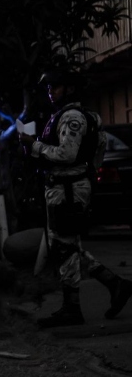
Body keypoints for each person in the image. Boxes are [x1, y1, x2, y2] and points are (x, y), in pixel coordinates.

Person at [19, 70, 131, 328]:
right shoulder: (86, 116)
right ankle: (115, 285)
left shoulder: (72, 118)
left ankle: (74, 308)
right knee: (67, 245)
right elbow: (99, 150)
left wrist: (33, 145)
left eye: (56, 87)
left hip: (67, 189)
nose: (51, 92)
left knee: (63, 246)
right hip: (68, 187)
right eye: (50, 87)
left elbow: (67, 154)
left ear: (70, 90)